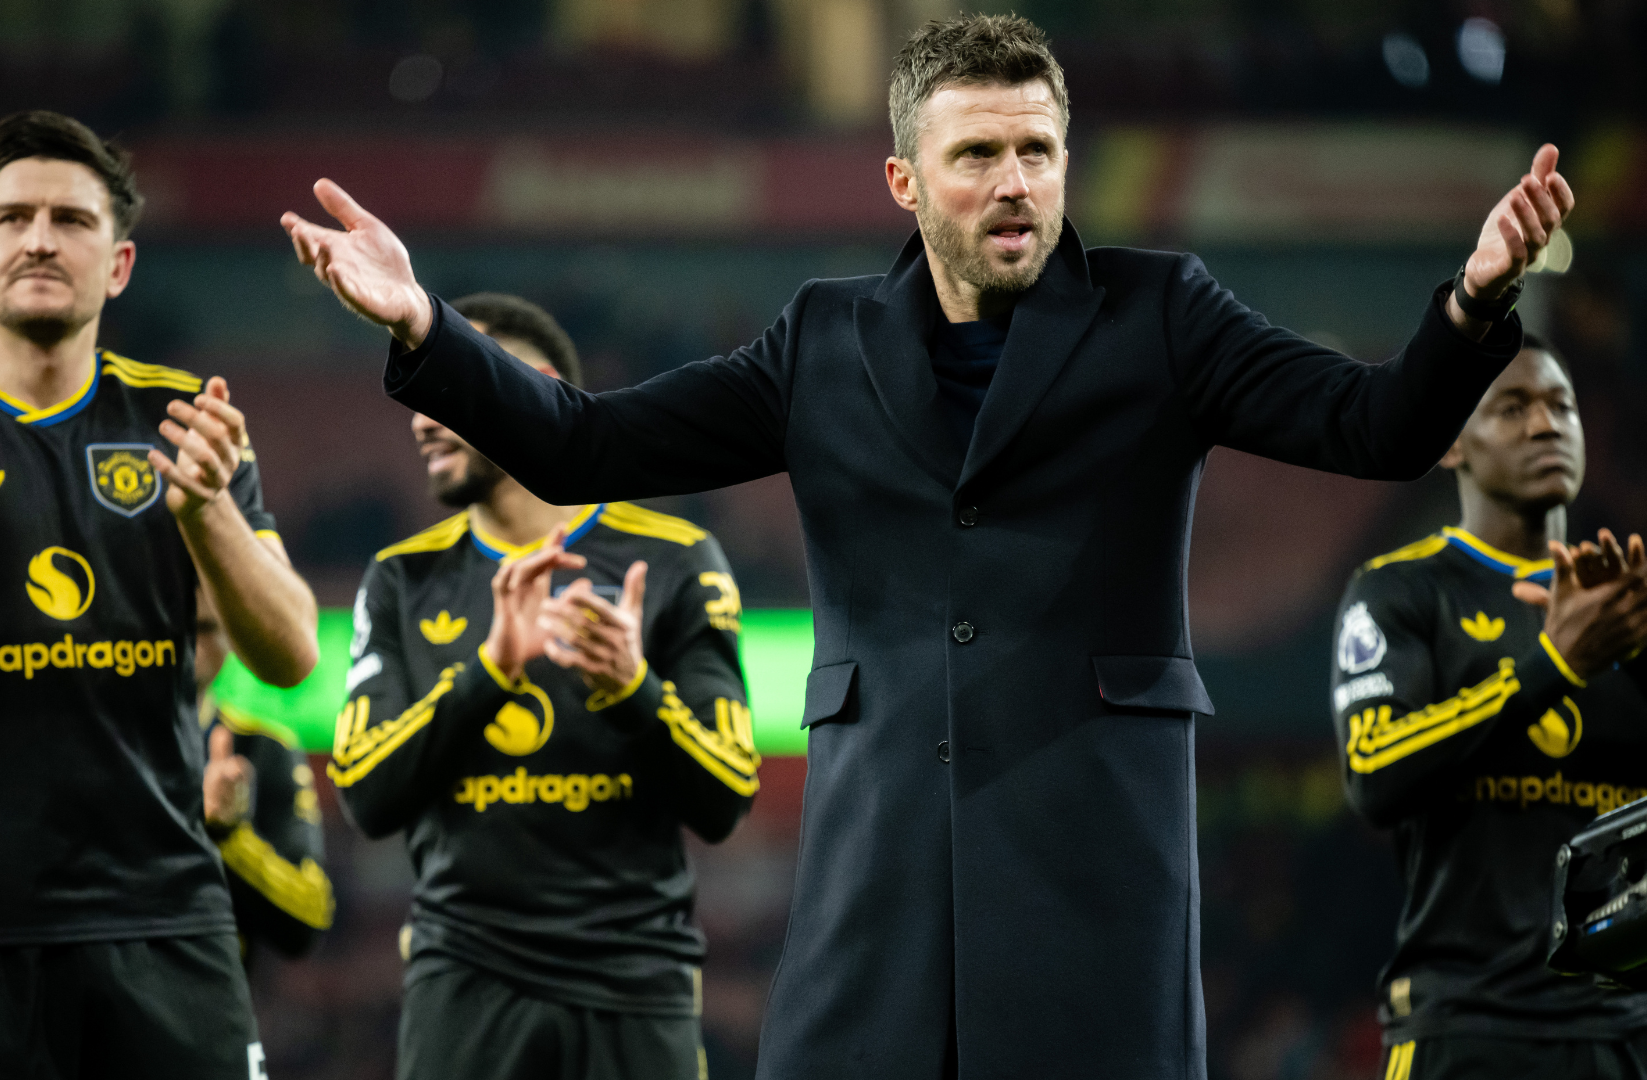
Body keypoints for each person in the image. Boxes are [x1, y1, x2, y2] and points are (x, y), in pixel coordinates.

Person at [282, 13, 1573, 1076]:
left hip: (1093, 844)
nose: (1015, 182)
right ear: (905, 179)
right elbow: (582, 448)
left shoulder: (1165, 312)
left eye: (1038, 150)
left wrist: (1470, 306)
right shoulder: (822, 336)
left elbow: (1376, 430)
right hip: (881, 849)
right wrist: (425, 329)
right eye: (979, 155)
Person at [0, 111, 319, 1077]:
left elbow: (291, 651)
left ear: (118, 265)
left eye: (74, 220)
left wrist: (207, 512)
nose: (41, 238)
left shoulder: (183, 415)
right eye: (15, 217)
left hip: (167, 920)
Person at [328, 292, 758, 1080]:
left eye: (444, 394)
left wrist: (634, 689)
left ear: (528, 386)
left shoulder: (675, 560)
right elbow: (365, 794)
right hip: (463, 984)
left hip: (637, 985)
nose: (422, 419)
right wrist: (489, 672)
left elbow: (726, 795)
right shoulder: (403, 577)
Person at [1330, 336, 1647, 1080]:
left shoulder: (1630, 615)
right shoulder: (1400, 591)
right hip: (1464, 1027)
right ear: (1451, 444)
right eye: (1513, 407)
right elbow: (1374, 770)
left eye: (1562, 405)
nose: (1545, 424)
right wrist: (1554, 666)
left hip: (1625, 1030)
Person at [195, 586, 336, 968]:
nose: (189, 642)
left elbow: (309, 917)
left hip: (213, 1011)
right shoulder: (95, 742)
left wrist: (230, 837)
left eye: (206, 627)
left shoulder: (263, 748)